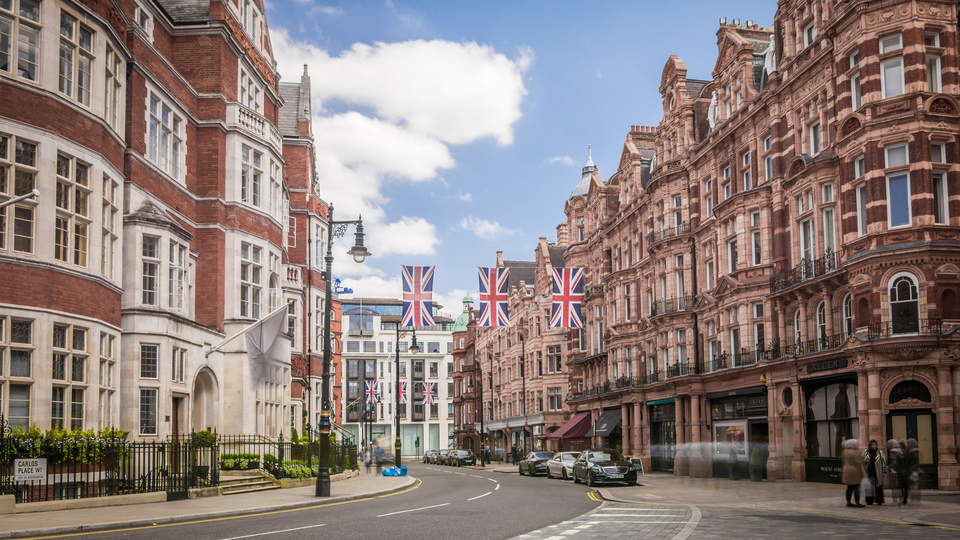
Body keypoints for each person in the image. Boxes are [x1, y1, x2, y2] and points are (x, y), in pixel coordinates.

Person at [841, 439, 865, 507]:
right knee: (857, 487)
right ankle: (857, 502)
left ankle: (848, 501)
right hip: (855, 471)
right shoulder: (855, 452)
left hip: (847, 470)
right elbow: (858, 463)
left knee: (849, 487)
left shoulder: (845, 452)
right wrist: (862, 472)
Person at [861, 439, 885, 505]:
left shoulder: (880, 452)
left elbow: (883, 462)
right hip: (869, 471)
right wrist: (864, 461)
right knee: (869, 486)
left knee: (879, 486)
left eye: (875, 444)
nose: (874, 446)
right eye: (872, 445)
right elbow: (861, 460)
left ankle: (879, 500)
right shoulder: (866, 452)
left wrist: (883, 471)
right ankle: (869, 501)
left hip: (878, 471)